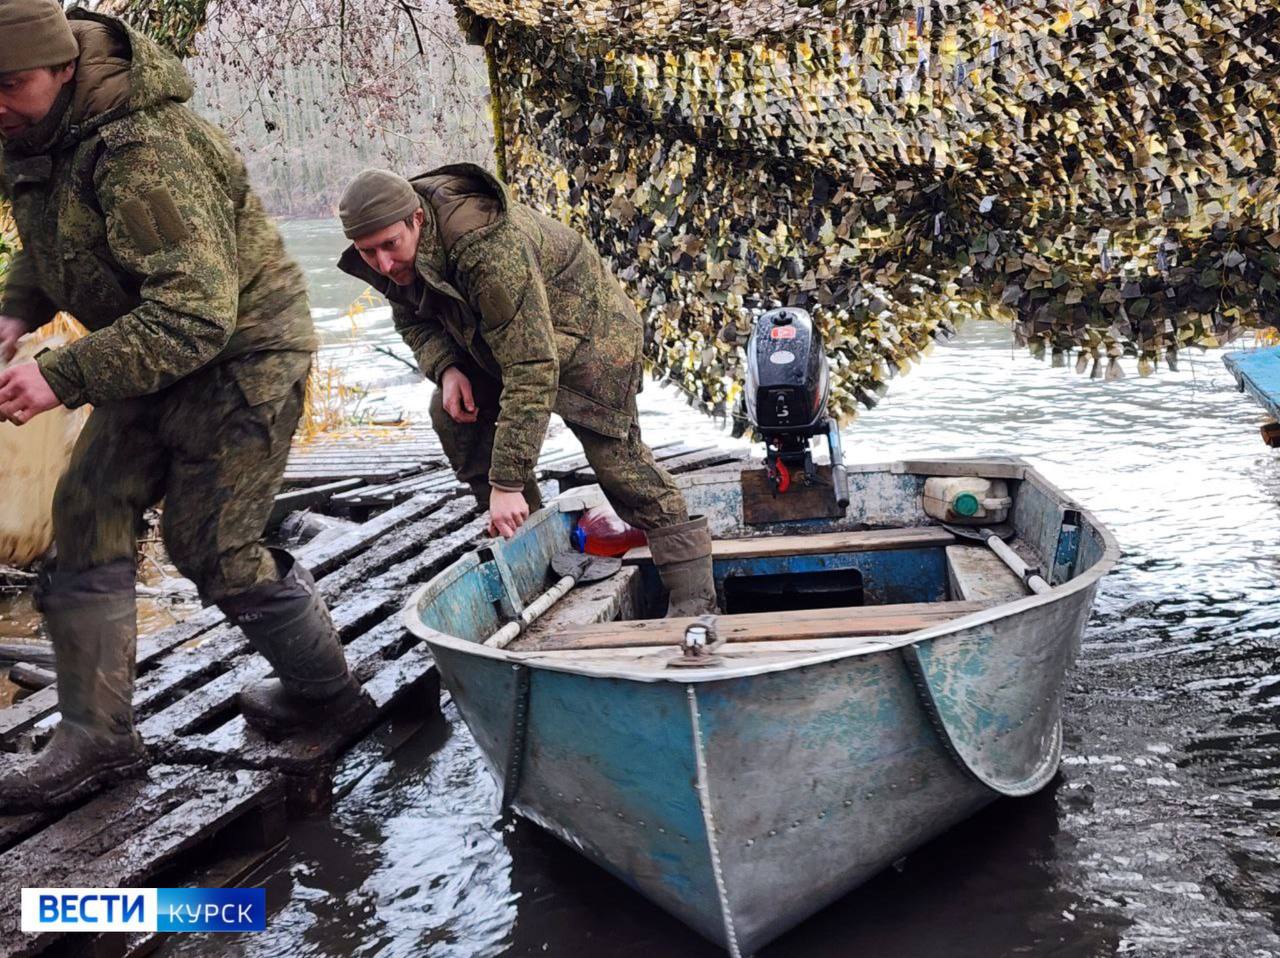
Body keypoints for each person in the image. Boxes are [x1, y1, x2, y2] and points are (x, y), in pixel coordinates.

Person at [0, 0, 372, 812]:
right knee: (86, 510)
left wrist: (61, 377)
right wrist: (15, 312)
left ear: (64, 71)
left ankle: (330, 694)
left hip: (242, 354)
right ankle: (98, 739)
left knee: (211, 546)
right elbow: (52, 243)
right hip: (148, 346)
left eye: (10, 83)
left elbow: (198, 313)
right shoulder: (34, 135)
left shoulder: (144, 146)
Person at [336, 165, 717, 616]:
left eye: (389, 246)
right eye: (368, 252)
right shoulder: (392, 253)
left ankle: (695, 598)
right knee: (451, 410)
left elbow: (533, 365)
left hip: (590, 338)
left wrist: (507, 480)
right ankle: (529, 548)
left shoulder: (485, 248)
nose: (382, 263)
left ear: (416, 219)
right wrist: (448, 366)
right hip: (503, 341)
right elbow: (413, 317)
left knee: (620, 465)